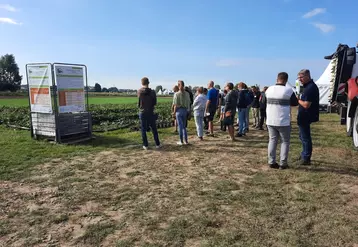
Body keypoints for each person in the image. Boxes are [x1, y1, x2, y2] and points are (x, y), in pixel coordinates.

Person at [266, 72, 298, 169]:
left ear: (277, 79)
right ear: (286, 80)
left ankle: (271, 161)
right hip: (283, 120)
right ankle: (283, 163)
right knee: (285, 142)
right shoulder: (288, 90)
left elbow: (263, 101)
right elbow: (295, 103)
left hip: (270, 120)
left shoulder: (269, 89)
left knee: (272, 140)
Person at [296, 69, 319, 165]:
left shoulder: (311, 88)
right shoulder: (306, 87)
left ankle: (306, 157)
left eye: (301, 77)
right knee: (302, 136)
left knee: (305, 137)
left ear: (307, 76)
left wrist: (297, 100)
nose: (299, 79)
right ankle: (304, 154)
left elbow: (306, 105)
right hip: (303, 115)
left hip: (306, 115)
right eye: (299, 77)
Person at [138, 77, 161, 150]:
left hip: (143, 112)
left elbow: (139, 103)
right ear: (148, 83)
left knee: (143, 129)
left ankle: (145, 145)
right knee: (154, 128)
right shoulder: (153, 92)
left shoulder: (139, 91)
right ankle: (157, 143)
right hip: (151, 111)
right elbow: (155, 103)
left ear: (142, 83)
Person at [173, 80, 191, 145]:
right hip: (185, 110)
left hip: (179, 111)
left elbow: (175, 105)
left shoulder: (176, 94)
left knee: (180, 127)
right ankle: (186, 140)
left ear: (178, 85)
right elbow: (189, 103)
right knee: (184, 127)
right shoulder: (187, 93)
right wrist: (189, 111)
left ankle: (181, 141)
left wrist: (174, 113)